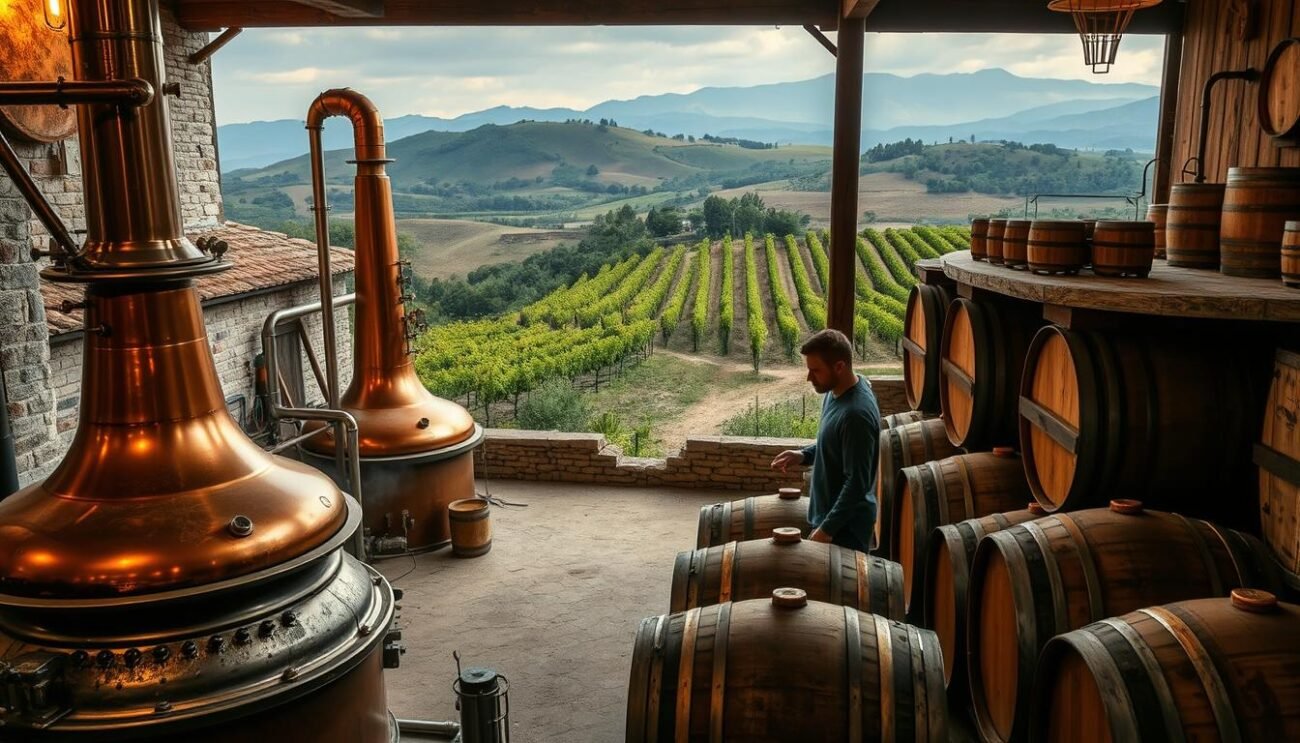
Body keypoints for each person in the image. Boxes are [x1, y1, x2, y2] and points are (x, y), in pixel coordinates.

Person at [770, 329, 880, 552]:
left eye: (815, 370)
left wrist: (827, 530)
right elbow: (834, 444)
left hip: (845, 532)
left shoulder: (856, 415)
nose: (809, 378)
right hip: (831, 522)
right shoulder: (835, 391)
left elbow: (857, 483)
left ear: (839, 367)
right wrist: (803, 455)